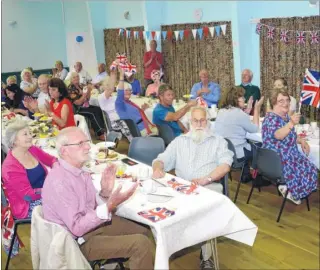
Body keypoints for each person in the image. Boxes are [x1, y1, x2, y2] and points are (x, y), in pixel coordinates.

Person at [41, 127, 154, 269]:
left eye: (87, 142)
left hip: (89, 229)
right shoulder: (60, 182)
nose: (88, 146)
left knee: (143, 228)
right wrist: (108, 206)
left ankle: (115, 265)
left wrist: (105, 193)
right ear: (64, 151)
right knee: (141, 244)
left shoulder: (80, 171)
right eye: (80, 143)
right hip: (74, 243)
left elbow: (90, 207)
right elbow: (77, 228)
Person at [152, 106, 233, 270]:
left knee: (205, 208)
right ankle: (166, 248)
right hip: (182, 187)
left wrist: (206, 179)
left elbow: (225, 166)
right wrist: (158, 168)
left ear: (207, 122)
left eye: (202, 120)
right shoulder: (179, 141)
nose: (199, 124)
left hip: (208, 186)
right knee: (155, 206)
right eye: (195, 120)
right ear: (189, 123)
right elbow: (161, 159)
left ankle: (207, 255)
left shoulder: (218, 141)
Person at [262, 88, 317, 204]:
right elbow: (278, 135)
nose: (286, 103)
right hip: (278, 159)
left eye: (287, 100)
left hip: (287, 154)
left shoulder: (285, 117)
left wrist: (301, 140)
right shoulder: (271, 118)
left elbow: (290, 136)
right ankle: (290, 190)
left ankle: (291, 189)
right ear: (273, 102)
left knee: (310, 166)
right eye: (281, 101)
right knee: (309, 168)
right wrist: (291, 123)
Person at [2, 120, 57, 219]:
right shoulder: (10, 167)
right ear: (14, 140)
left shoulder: (31, 149)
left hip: (45, 192)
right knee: (66, 205)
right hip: (28, 204)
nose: (30, 137)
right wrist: (51, 190)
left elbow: (51, 160)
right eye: (25, 134)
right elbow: (28, 195)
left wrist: (57, 166)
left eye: (30, 133)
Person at [215, 87, 264, 182]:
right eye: (242, 97)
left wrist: (248, 109)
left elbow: (237, 120)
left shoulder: (221, 111)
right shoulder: (238, 114)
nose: (244, 99)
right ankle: (258, 177)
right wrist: (257, 108)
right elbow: (255, 129)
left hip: (225, 151)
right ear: (235, 99)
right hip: (237, 155)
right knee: (260, 146)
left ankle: (245, 174)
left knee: (246, 142)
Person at [116, 68, 158, 136]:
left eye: (129, 90)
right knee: (162, 129)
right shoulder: (120, 103)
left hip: (143, 126)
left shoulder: (129, 102)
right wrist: (121, 76)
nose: (128, 92)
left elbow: (134, 114)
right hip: (140, 130)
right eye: (126, 90)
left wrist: (142, 109)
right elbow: (120, 92)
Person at [68, 72, 106, 140]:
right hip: (77, 108)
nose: (76, 78)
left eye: (77, 77)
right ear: (71, 79)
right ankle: (100, 134)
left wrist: (88, 90)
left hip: (85, 105)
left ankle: (100, 130)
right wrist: (84, 95)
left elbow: (88, 99)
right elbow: (78, 103)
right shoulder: (70, 88)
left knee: (98, 109)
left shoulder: (81, 85)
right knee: (93, 112)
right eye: (74, 77)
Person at [99, 72, 133, 141]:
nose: (111, 86)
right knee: (129, 123)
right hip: (115, 121)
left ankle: (138, 139)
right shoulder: (101, 97)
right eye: (108, 85)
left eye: (112, 85)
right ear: (104, 86)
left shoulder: (114, 96)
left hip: (121, 117)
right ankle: (133, 141)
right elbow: (110, 90)